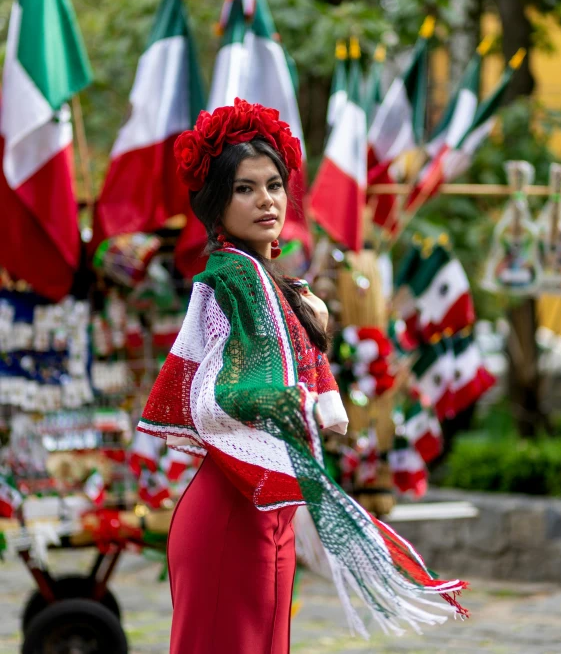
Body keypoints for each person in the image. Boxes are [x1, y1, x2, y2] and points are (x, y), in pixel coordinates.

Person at [138, 98, 468, 654]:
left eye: (273, 184)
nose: (266, 199)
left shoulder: (269, 280)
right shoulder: (235, 280)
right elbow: (220, 391)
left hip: (261, 506)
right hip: (232, 514)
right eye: (245, 188)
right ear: (216, 204)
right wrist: (289, 399)